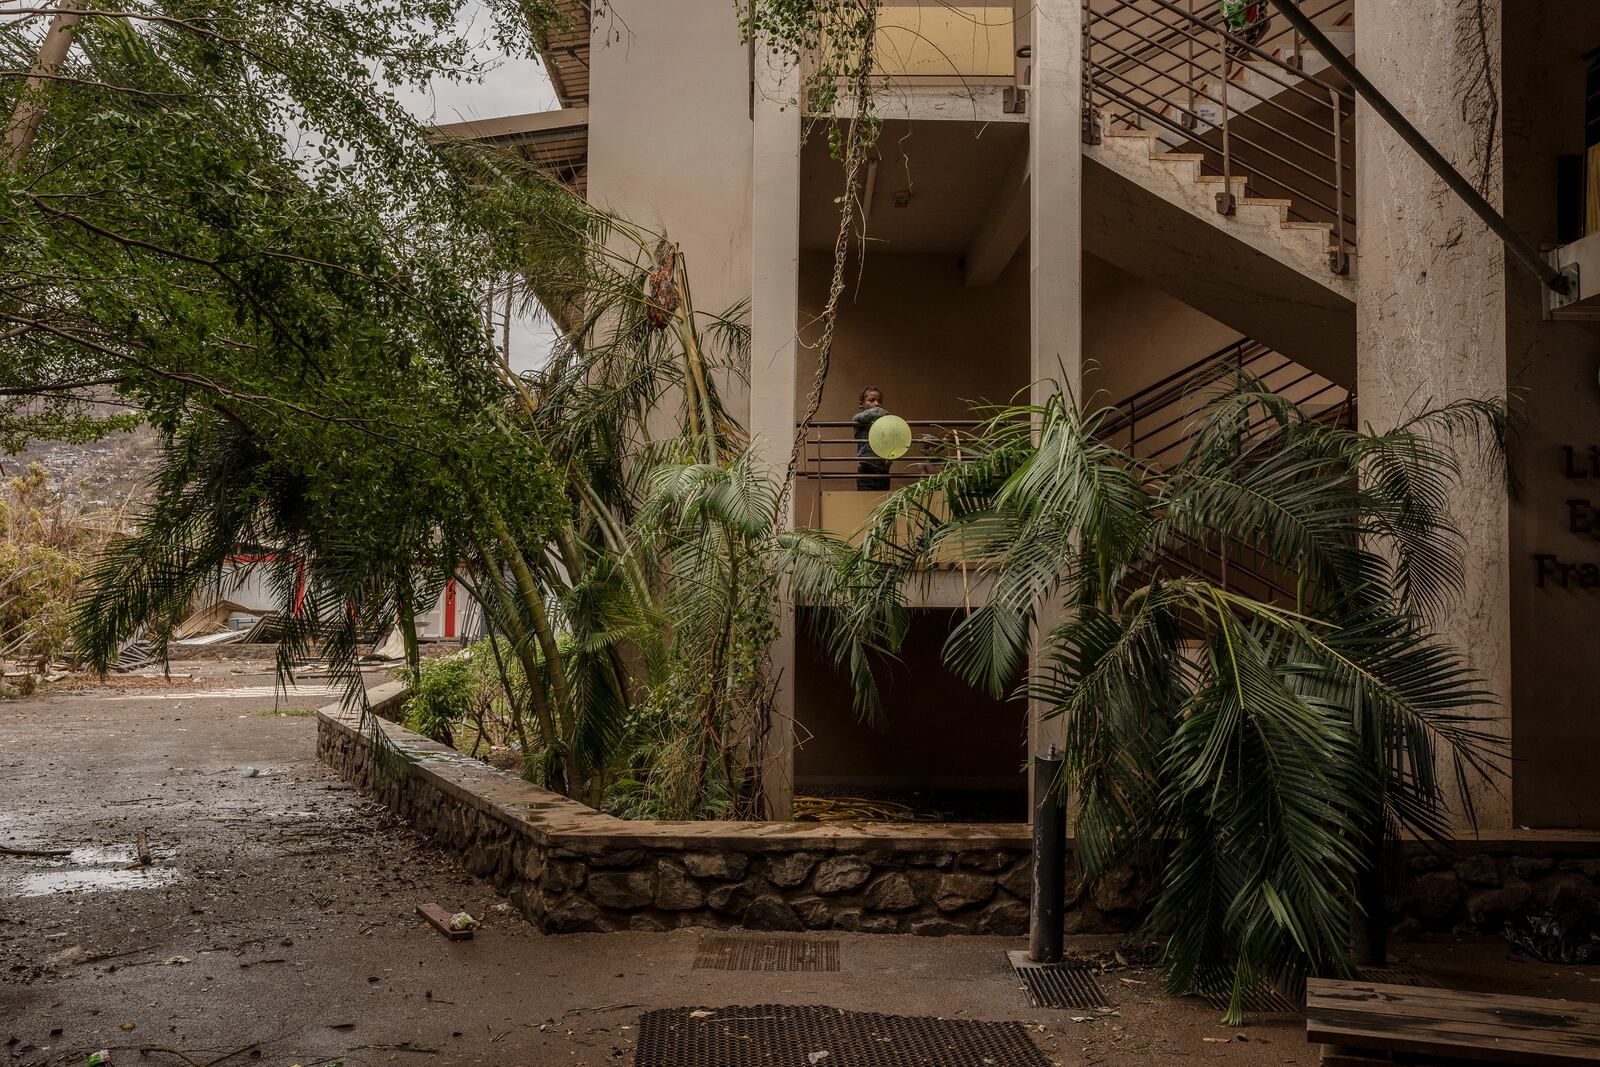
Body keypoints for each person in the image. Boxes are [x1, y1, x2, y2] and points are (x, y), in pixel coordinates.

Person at [852, 386, 891, 491]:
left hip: (884, 471)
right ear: (861, 404)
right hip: (867, 470)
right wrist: (881, 412)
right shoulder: (859, 418)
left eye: (879, 401)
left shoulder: (882, 421)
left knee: (884, 503)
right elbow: (866, 416)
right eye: (871, 400)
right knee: (866, 503)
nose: (877, 404)